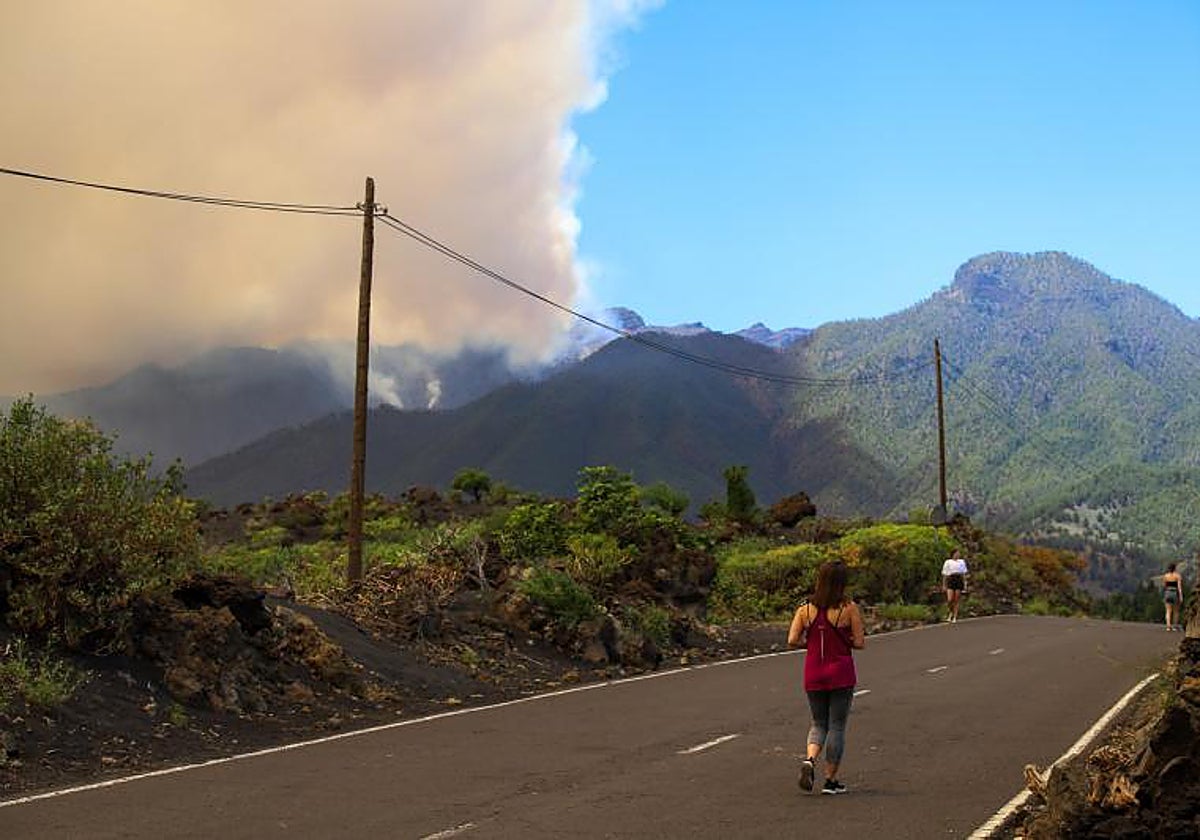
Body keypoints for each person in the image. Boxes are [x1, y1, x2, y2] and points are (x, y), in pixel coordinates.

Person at [787, 561, 866, 795]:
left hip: (813, 672)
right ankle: (830, 781)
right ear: (842, 582)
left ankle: (810, 759)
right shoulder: (848, 608)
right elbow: (860, 642)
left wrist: (809, 644)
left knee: (818, 723)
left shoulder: (805, 608)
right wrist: (845, 641)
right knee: (837, 726)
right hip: (840, 672)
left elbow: (792, 639)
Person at [941, 549, 969, 623]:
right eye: (956, 553)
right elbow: (945, 574)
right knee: (950, 599)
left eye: (958, 553)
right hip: (951, 579)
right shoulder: (948, 562)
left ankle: (955, 616)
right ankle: (950, 612)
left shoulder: (962, 562)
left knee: (956, 599)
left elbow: (964, 574)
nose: (958, 555)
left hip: (958, 579)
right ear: (953, 554)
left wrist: (965, 584)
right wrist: (944, 585)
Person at [1163, 563, 1184, 631]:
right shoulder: (1177, 576)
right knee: (1176, 611)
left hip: (1168, 592)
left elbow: (1165, 586)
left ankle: (1168, 626)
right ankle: (1175, 626)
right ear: (1175, 568)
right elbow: (1179, 587)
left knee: (1168, 610)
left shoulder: (1166, 576)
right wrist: (1181, 596)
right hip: (1174, 592)